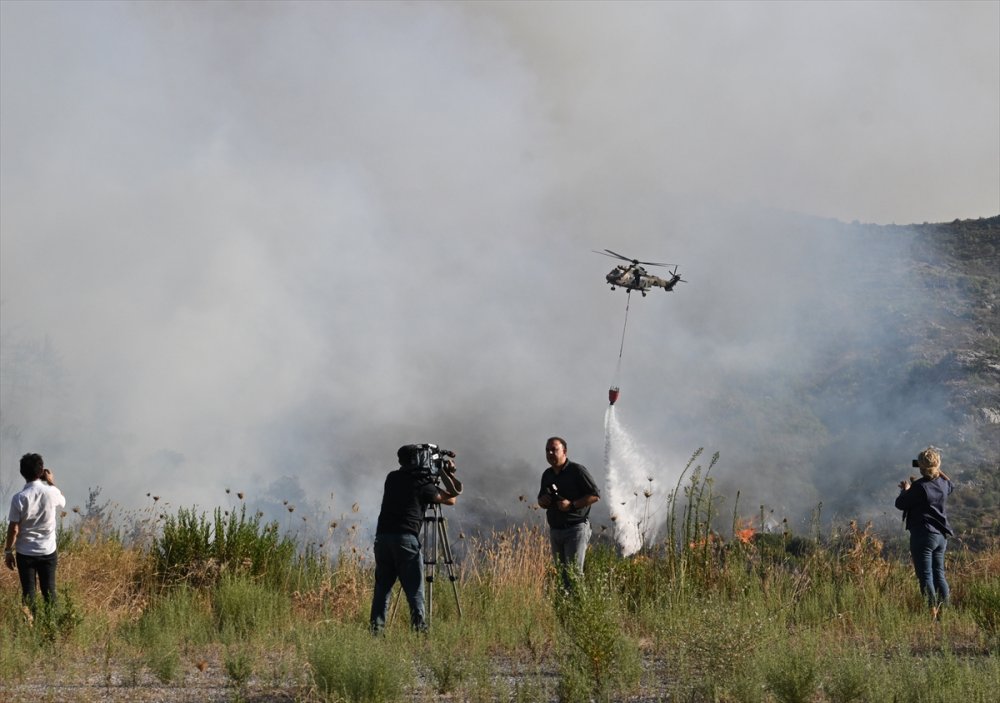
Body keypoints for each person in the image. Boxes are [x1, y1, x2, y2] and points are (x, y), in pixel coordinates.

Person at [369, 445, 459, 634]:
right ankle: (419, 630)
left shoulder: (392, 478)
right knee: (415, 588)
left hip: (382, 538)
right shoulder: (423, 484)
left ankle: (376, 631)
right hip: (405, 540)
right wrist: (448, 474)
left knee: (382, 588)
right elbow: (451, 499)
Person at [894, 446, 954, 619]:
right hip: (940, 536)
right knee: (939, 574)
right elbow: (951, 484)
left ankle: (932, 615)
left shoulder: (919, 487)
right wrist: (937, 468)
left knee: (925, 575)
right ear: (937, 465)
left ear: (921, 467)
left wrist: (905, 490)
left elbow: (900, 504)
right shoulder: (944, 484)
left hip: (923, 535)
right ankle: (945, 614)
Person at [4, 453, 67, 611]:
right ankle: (52, 623)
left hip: (25, 553)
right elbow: (63, 501)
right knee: (50, 592)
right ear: (41, 471)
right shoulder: (51, 492)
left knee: (28, 593)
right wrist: (51, 481)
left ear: (22, 472)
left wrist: (8, 551)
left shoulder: (19, 498)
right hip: (48, 551)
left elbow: (14, 528)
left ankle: (31, 622)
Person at [537, 436, 600, 589]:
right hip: (556, 531)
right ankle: (565, 604)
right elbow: (541, 499)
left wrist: (571, 505)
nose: (550, 453)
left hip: (575, 529)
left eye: (554, 450)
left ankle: (579, 603)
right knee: (561, 575)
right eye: (547, 450)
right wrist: (542, 501)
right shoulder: (547, 474)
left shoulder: (577, 471)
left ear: (564, 451)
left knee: (574, 575)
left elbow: (595, 495)